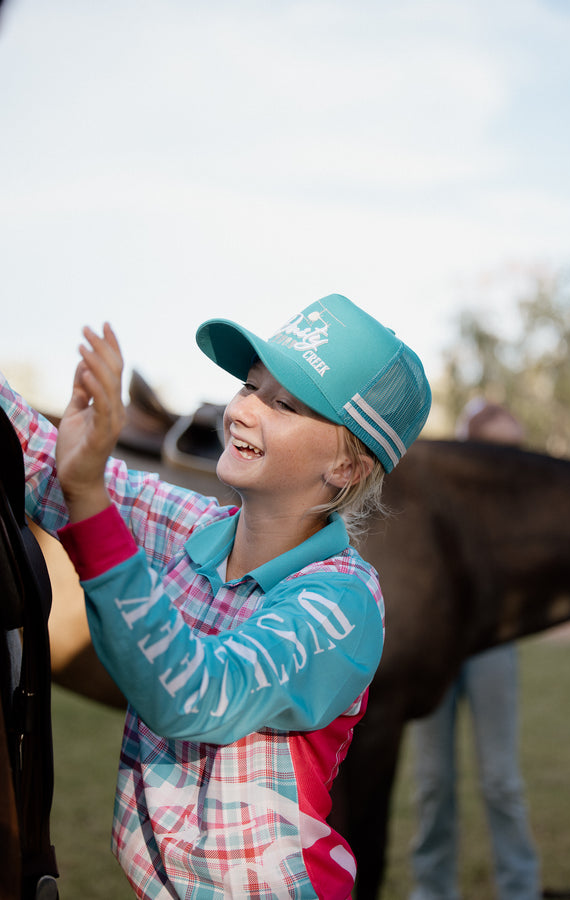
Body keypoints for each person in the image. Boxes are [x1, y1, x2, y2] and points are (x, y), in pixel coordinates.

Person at [0, 293, 431, 899]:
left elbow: (195, 694)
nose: (245, 411)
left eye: (283, 404)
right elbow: (47, 463)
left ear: (346, 467)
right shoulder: (194, 529)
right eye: (251, 386)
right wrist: (79, 479)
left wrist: (90, 501)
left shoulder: (343, 604)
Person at [408, 398, 540, 900]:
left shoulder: (525, 512)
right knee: (432, 783)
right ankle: (432, 890)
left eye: (517, 450)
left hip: (492, 652)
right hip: (435, 653)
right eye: (497, 450)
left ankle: (521, 888)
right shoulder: (442, 502)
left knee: (502, 779)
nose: (511, 462)